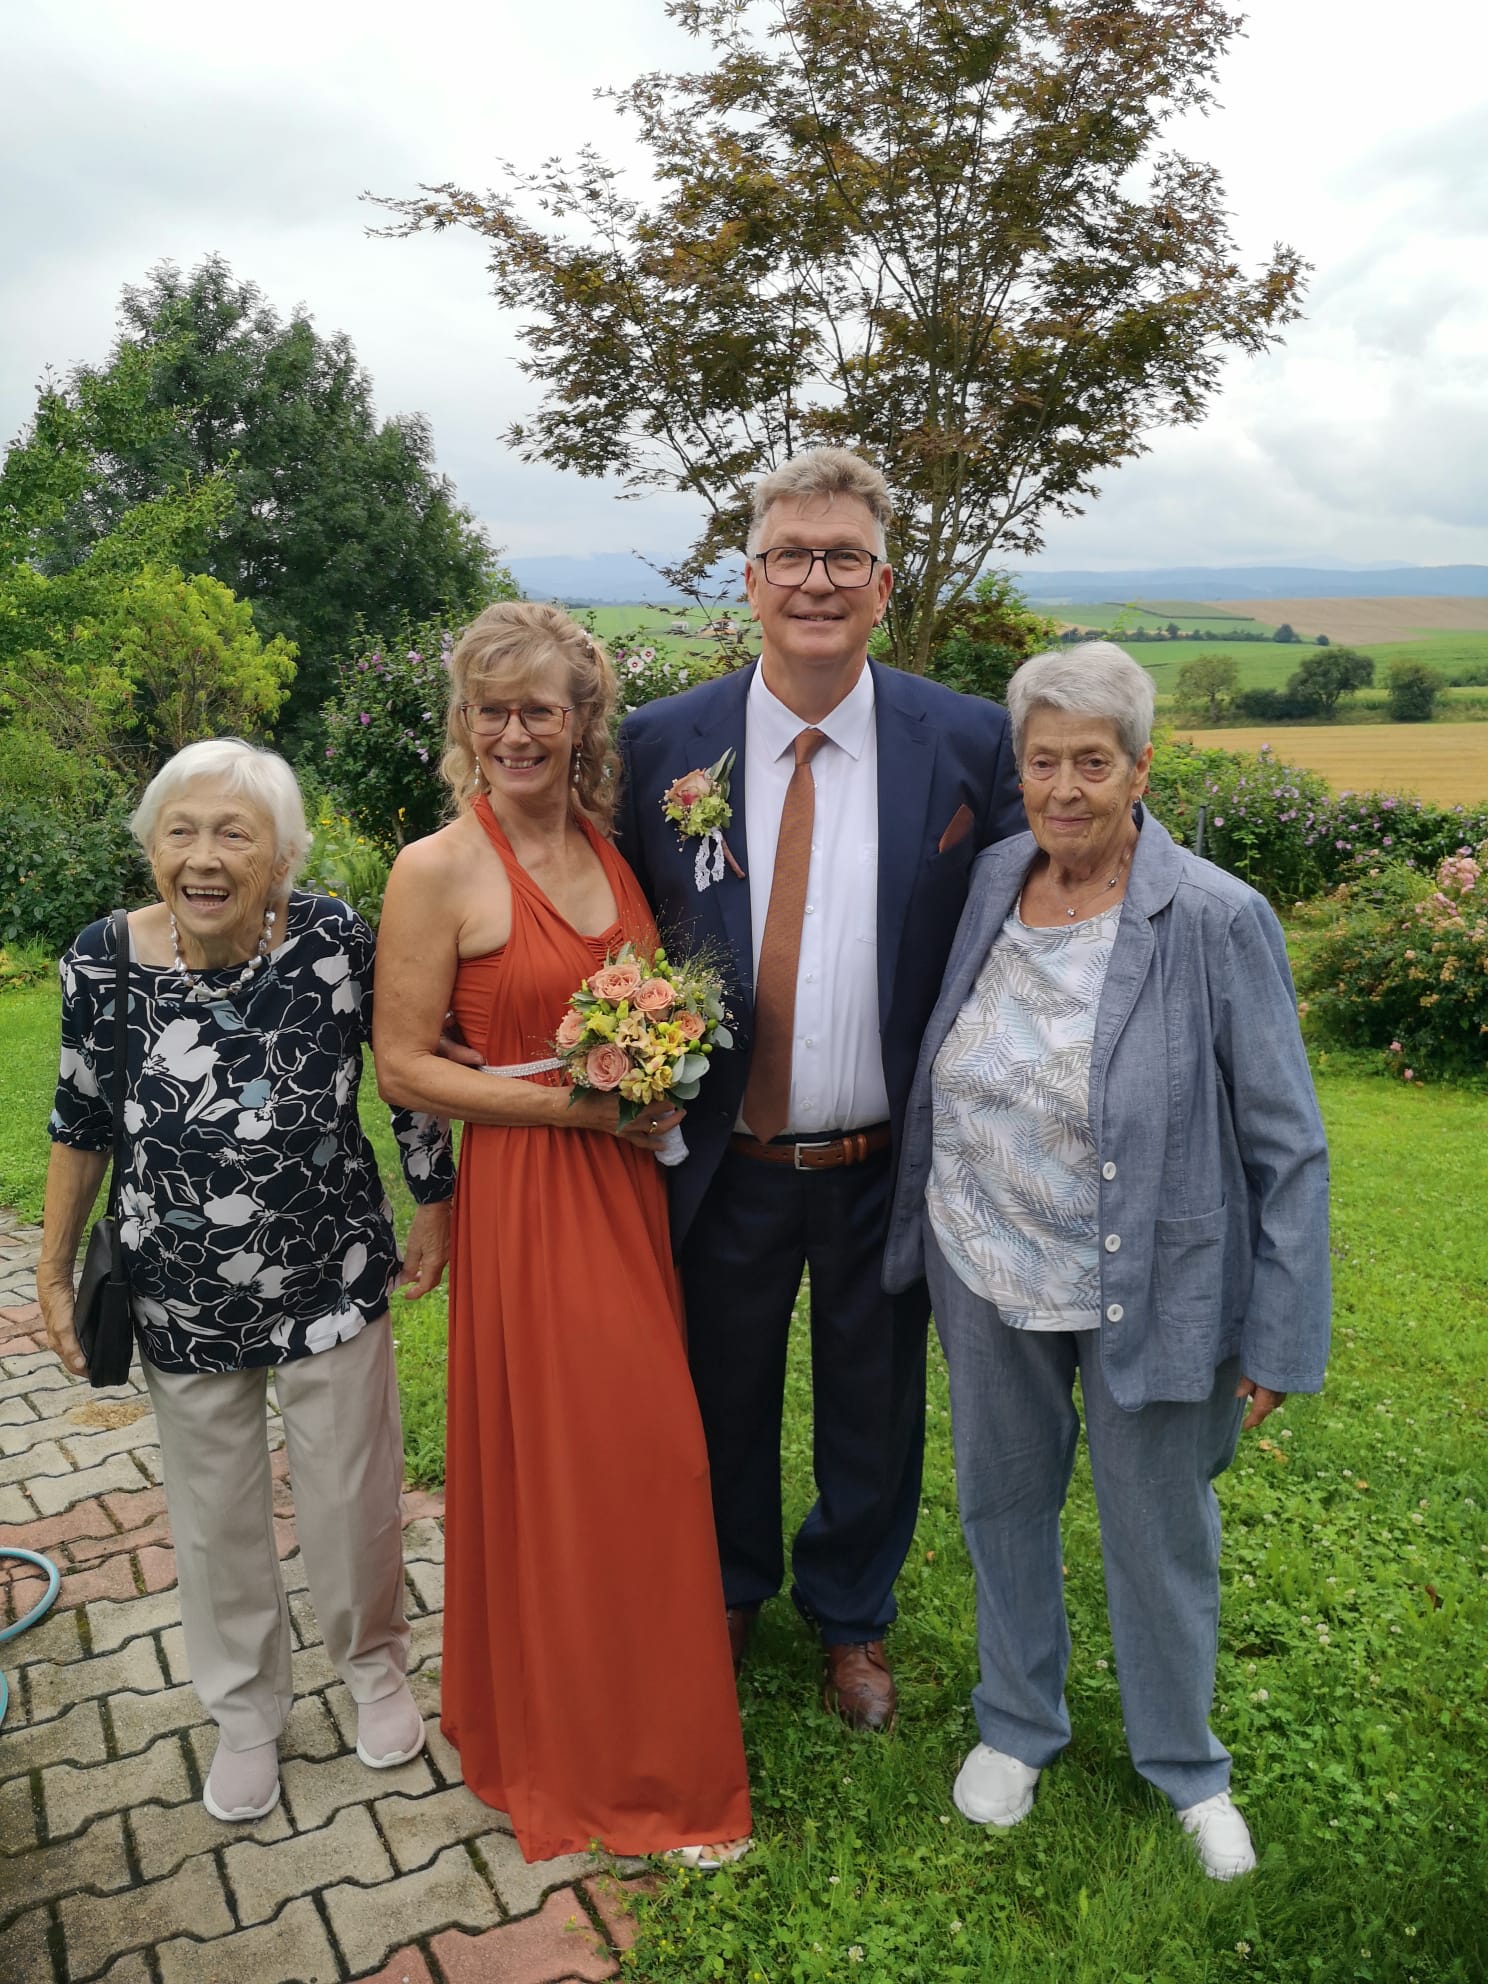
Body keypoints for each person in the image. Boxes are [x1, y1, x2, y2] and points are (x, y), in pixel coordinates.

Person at [882, 642, 1331, 1878]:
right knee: (1002, 1501)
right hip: (985, 1255)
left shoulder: (1216, 916)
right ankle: (1017, 1722)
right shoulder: (990, 880)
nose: (1065, 787)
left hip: (1155, 1278)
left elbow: (1289, 1144)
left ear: (1141, 769)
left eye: (1093, 761)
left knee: (1157, 1526)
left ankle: (1186, 1764)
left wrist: (1282, 1328)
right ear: (1019, 770)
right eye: (1044, 762)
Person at [615, 448, 1023, 1730]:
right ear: (750, 580)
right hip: (720, 1156)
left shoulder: (966, 741)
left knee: (873, 1400)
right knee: (720, 1386)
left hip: (882, 1159)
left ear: (883, 585)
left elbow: (1048, 896)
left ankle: (852, 1615)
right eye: (790, 554)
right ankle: (731, 1587)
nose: (816, 580)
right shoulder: (660, 744)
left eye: (845, 556)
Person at [372, 601, 751, 1865]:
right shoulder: (435, 868)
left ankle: (631, 1720)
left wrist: (654, 1075)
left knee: (644, 1458)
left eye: (539, 708)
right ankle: (603, 1758)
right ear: (464, 722)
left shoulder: (608, 843)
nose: (514, 733)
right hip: (533, 1196)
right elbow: (405, 1065)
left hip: (626, 1191)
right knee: (589, 1460)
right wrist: (575, 1109)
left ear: (584, 720)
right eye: (491, 710)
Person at [37, 739, 454, 1826]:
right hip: (180, 1290)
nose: (204, 858)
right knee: (214, 1512)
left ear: (282, 854)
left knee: (351, 1495)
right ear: (152, 846)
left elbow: (405, 1076)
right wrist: (50, 1265)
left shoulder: (334, 939)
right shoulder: (102, 958)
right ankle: (245, 1714)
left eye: (235, 833)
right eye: (181, 832)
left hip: (333, 1268)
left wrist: (435, 1201)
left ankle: (374, 1669)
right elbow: (79, 1121)